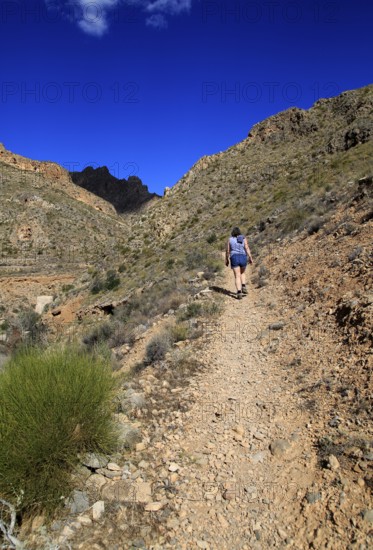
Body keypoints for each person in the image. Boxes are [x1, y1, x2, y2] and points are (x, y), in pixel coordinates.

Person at [225, 227, 253, 299]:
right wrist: (250, 257)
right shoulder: (243, 238)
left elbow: (228, 251)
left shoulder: (230, 239)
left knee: (237, 276)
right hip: (243, 257)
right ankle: (243, 285)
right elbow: (246, 248)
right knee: (242, 273)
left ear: (232, 232)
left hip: (234, 257)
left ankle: (239, 292)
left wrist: (227, 259)